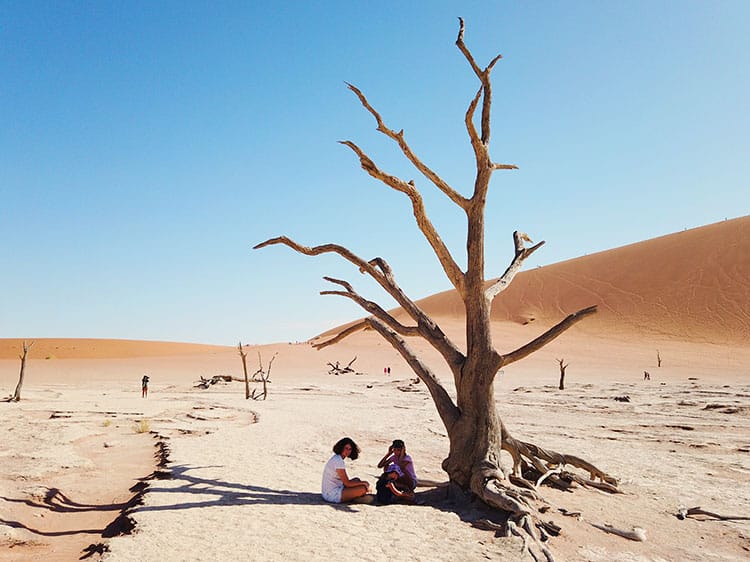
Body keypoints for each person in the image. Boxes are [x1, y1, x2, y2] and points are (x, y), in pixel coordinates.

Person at [321, 437, 371, 503]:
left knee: (356, 480)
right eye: (346, 448)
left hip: (335, 488)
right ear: (341, 448)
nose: (348, 451)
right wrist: (365, 483)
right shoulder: (338, 461)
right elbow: (347, 483)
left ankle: (353, 497)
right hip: (332, 495)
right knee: (363, 489)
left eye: (350, 449)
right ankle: (354, 498)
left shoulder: (337, 458)